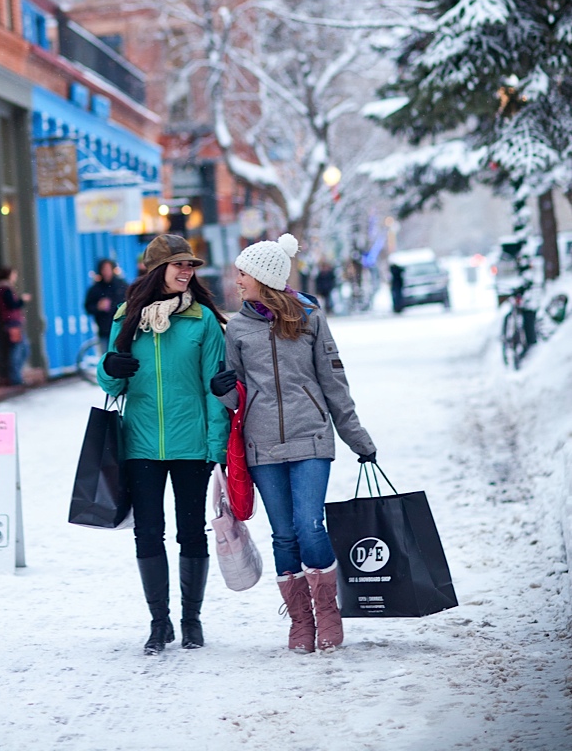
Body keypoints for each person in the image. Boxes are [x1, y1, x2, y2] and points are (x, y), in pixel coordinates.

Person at [211, 233, 376, 653]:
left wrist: (357, 437)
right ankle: (301, 621)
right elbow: (238, 395)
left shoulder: (310, 318)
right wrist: (223, 389)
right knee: (284, 535)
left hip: (312, 437)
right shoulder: (238, 329)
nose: (237, 280)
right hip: (262, 445)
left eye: (243, 273)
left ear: (263, 276)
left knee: (309, 525)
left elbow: (334, 382)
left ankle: (328, 613)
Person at [97, 233, 229, 655]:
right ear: (158, 270)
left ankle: (192, 621)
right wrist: (110, 366)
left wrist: (215, 444)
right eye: (180, 265)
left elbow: (214, 387)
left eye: (191, 266)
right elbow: (112, 383)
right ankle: (160, 623)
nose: (187, 272)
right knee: (148, 534)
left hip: (191, 443)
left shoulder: (202, 320)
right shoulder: (127, 318)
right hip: (140, 444)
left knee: (192, 532)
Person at [0, 267, 31, 386]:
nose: (15, 277)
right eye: (14, 274)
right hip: (12, 322)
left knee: (20, 348)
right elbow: (12, 305)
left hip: (12, 322)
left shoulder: (2, 288)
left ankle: (15, 376)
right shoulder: (5, 289)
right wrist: (22, 300)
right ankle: (15, 378)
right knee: (19, 349)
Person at [83, 259, 128, 353]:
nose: (106, 272)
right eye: (104, 269)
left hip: (122, 330)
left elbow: (129, 302)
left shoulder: (122, 285)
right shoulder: (95, 289)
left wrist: (113, 306)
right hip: (104, 330)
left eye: (108, 269)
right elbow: (88, 307)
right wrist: (98, 307)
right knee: (106, 359)